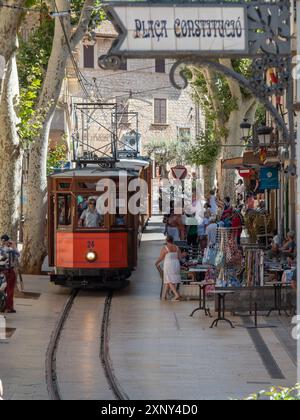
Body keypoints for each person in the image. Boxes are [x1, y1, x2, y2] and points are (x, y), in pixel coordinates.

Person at [156, 236, 182, 301]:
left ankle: (176, 295)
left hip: (169, 264)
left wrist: (156, 263)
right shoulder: (177, 248)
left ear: (166, 241)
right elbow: (180, 258)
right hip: (176, 264)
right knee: (168, 280)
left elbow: (161, 258)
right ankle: (164, 296)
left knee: (169, 279)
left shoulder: (165, 248)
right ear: (172, 240)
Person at [0, 235, 20, 314]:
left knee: (2, 289)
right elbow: (18, 255)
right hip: (9, 271)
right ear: (8, 241)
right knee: (10, 290)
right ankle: (9, 307)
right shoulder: (11, 250)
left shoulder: (0, 249)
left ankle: (2, 305)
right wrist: (14, 246)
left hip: (1, 271)